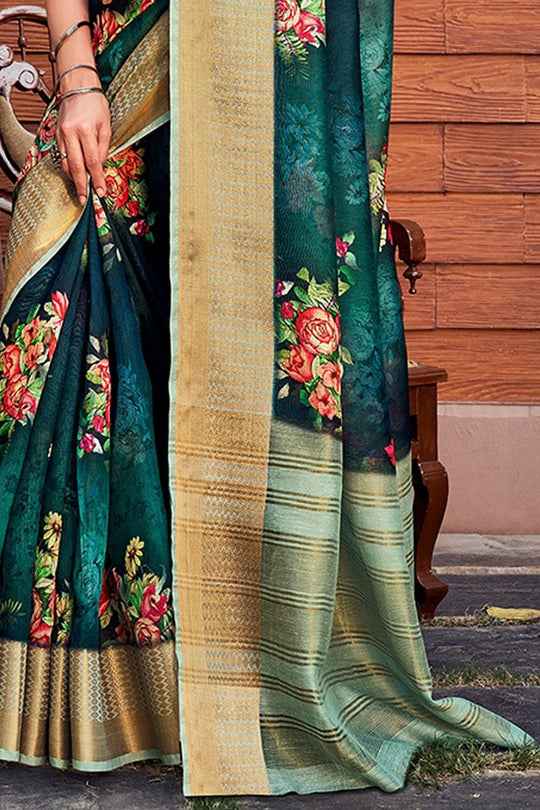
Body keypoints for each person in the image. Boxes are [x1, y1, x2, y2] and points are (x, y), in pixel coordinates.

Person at [0, 0, 534, 798]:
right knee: (65, 263)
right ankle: (115, 694)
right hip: (138, 63)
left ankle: (244, 679)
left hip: (275, 93)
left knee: (263, 345)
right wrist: (75, 69)